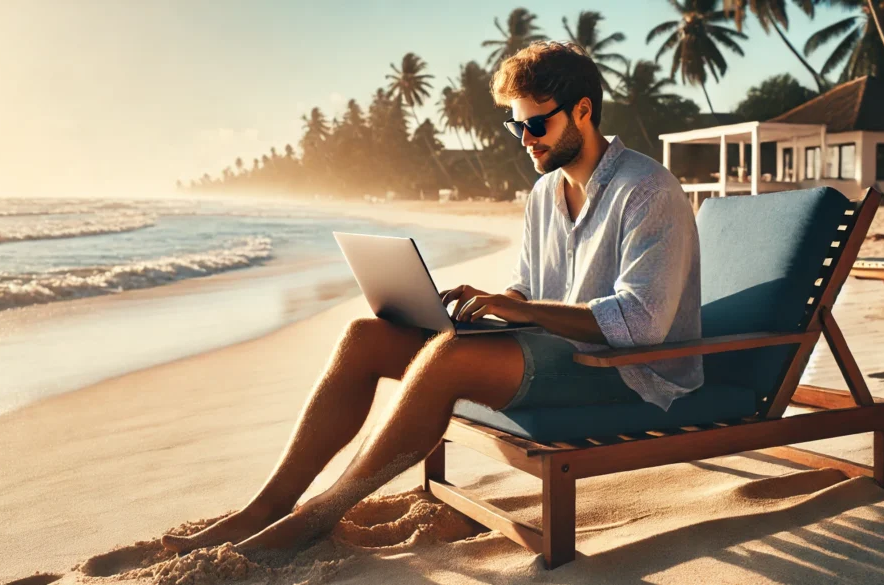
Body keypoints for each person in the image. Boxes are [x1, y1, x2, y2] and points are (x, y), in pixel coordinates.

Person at [161, 40, 703, 555]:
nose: (524, 138)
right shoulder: (544, 192)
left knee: (447, 358)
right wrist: (496, 303)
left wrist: (522, 311)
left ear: (583, 111)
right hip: (551, 348)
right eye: (515, 125)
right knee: (366, 337)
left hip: (626, 373)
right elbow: (531, 286)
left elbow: (642, 323)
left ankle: (317, 516)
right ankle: (268, 506)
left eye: (536, 124)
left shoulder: (647, 189)